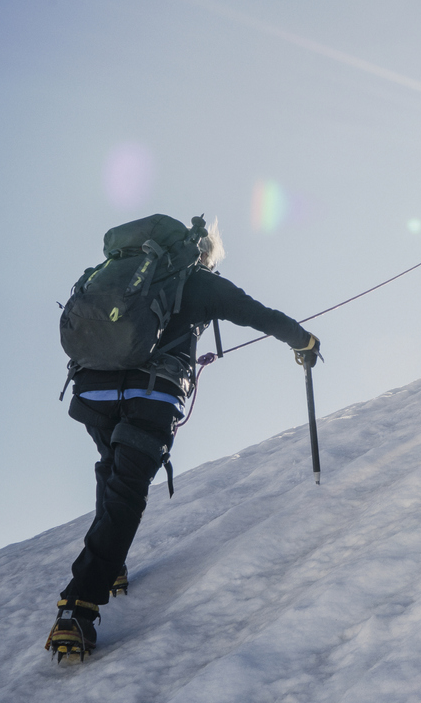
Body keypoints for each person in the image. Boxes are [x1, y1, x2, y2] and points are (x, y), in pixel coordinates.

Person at [46, 217, 320, 661]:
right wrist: (303, 340)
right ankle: (78, 607)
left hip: (92, 389)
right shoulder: (198, 282)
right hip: (149, 395)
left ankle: (110, 566)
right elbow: (258, 314)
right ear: (205, 254)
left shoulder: (128, 273)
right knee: (127, 492)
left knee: (111, 473)